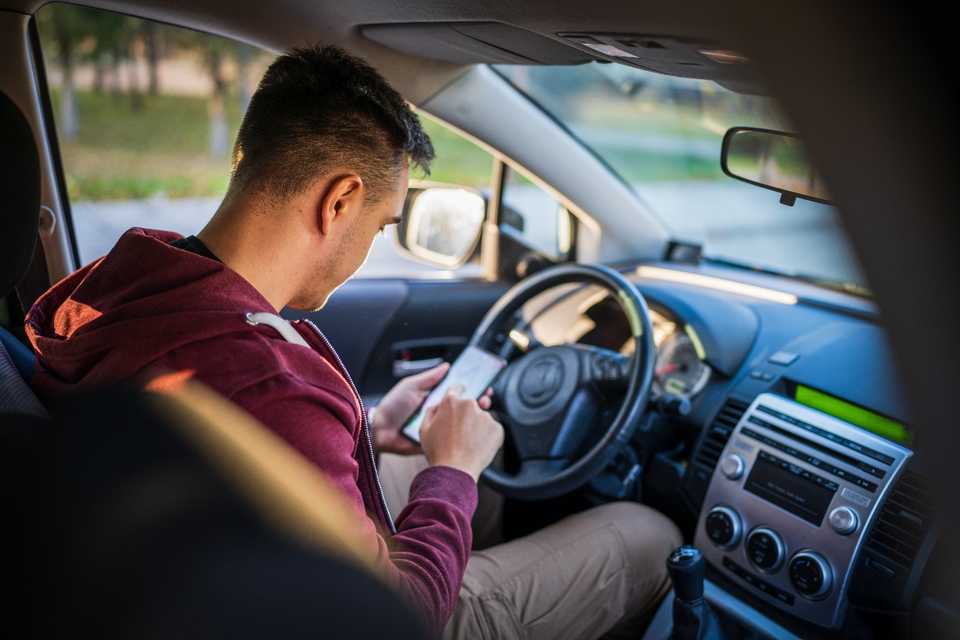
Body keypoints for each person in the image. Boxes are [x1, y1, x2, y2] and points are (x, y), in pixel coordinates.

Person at [26, 46, 680, 638]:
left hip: (202, 542)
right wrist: (451, 474)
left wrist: (368, 428)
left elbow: (249, 438)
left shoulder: (117, 282)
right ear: (339, 201)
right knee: (647, 536)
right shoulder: (269, 380)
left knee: (493, 483)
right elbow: (407, 613)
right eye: (380, 223)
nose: (371, 246)